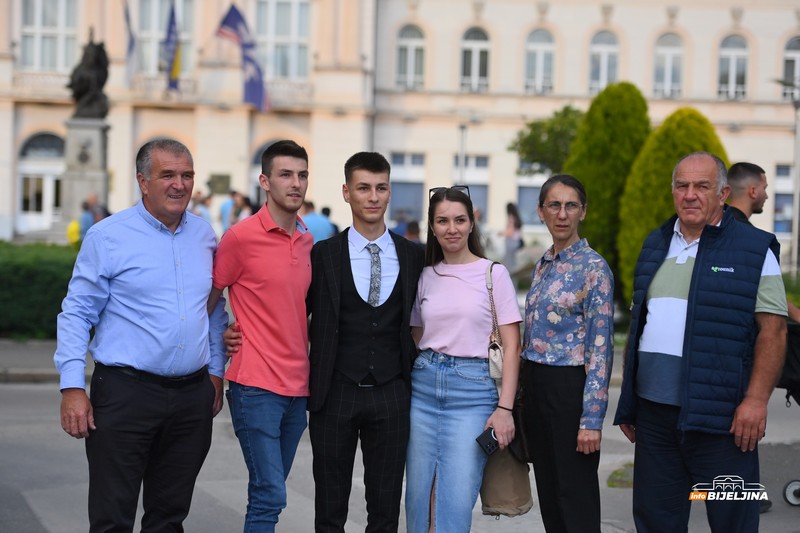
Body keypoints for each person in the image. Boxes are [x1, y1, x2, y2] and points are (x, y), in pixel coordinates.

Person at [54, 138, 228, 532]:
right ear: (142, 181)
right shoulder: (108, 236)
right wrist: (71, 387)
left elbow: (215, 310)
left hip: (191, 398)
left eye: (186, 175)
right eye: (167, 175)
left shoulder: (205, 236)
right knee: (112, 518)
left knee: (169, 518)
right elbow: (77, 313)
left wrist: (216, 372)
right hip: (125, 395)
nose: (179, 185)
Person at [614, 152, 787, 533]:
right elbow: (640, 324)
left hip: (725, 421)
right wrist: (630, 403)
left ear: (723, 193)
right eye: (682, 185)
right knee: (656, 521)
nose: (690, 195)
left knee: (733, 522)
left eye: (701, 186)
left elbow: (774, 331)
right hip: (656, 418)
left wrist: (756, 402)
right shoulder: (655, 244)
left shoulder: (755, 248)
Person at [307, 151, 424, 532]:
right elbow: (291, 312)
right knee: (328, 510)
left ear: (389, 193)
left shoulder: (414, 256)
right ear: (346, 192)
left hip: (392, 393)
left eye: (380, 188)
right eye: (363, 188)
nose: (373, 197)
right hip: (334, 392)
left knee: (386, 511)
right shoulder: (323, 255)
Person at [209, 140, 313, 532]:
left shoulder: (308, 242)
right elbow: (209, 299)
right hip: (254, 386)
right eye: (286, 175)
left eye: (302, 175)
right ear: (265, 181)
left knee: (266, 493)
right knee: (271, 493)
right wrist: (219, 338)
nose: (296, 183)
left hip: (298, 388)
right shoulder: (240, 237)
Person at [405, 185, 522, 532]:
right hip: (423, 389)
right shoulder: (426, 276)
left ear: (472, 223)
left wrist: (505, 409)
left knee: (454, 502)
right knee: (418, 501)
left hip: (473, 394)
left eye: (459, 220)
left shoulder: (493, 274)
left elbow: (512, 347)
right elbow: (415, 334)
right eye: (442, 221)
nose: (451, 228)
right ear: (432, 226)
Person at [521, 174, 614, 532]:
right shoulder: (543, 265)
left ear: (583, 212)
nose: (562, 214)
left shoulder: (594, 269)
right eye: (554, 205)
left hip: (570, 391)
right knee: (550, 493)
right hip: (538, 387)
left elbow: (601, 350)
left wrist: (591, 420)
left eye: (571, 205)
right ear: (541, 212)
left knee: (574, 497)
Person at [504, 202, 523, 271]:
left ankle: (509, 280)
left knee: (509, 263)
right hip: (516, 242)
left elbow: (510, 233)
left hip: (510, 242)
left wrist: (501, 233)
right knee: (513, 262)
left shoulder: (511, 218)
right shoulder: (517, 218)